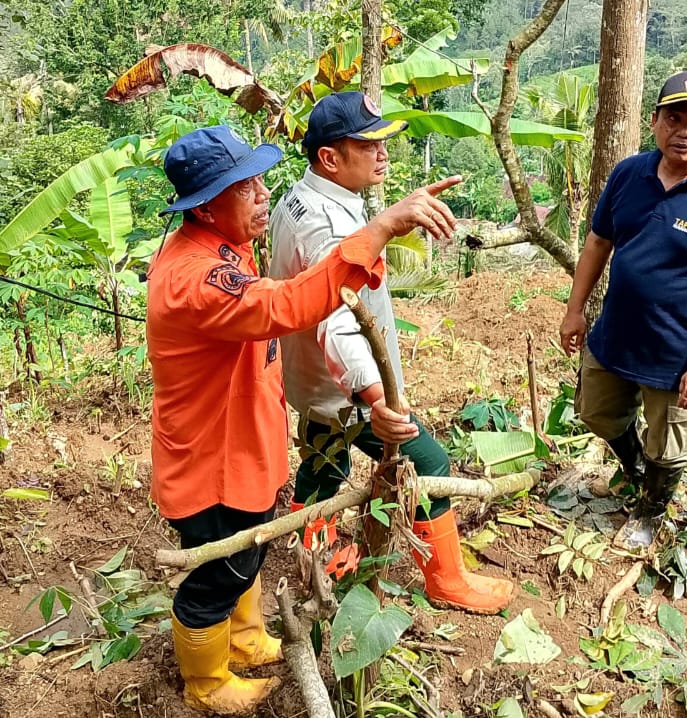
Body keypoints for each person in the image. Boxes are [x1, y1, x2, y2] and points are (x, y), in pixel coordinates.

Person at [147, 124, 460, 715]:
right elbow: (285, 305)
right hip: (212, 453)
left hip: (240, 437)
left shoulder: (219, 244)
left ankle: (243, 639)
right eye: (246, 187)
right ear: (208, 208)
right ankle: (206, 680)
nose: (263, 194)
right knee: (220, 565)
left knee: (250, 543)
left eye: (260, 180)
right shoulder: (197, 279)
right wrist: (380, 229)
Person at [269, 92, 516, 614]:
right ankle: (447, 581)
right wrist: (379, 399)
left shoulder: (301, 199)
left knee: (322, 465)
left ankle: (316, 560)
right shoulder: (326, 224)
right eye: (368, 143)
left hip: (311, 384)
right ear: (330, 158)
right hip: (347, 388)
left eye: (383, 140)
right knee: (427, 464)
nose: (383, 152)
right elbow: (337, 322)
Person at [557, 70, 687, 550]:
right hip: (614, 338)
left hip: (678, 356)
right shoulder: (629, 174)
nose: (684, 131)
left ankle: (649, 510)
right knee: (595, 413)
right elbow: (597, 243)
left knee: (669, 445)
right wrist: (574, 310)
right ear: (655, 121)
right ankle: (632, 468)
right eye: (674, 117)